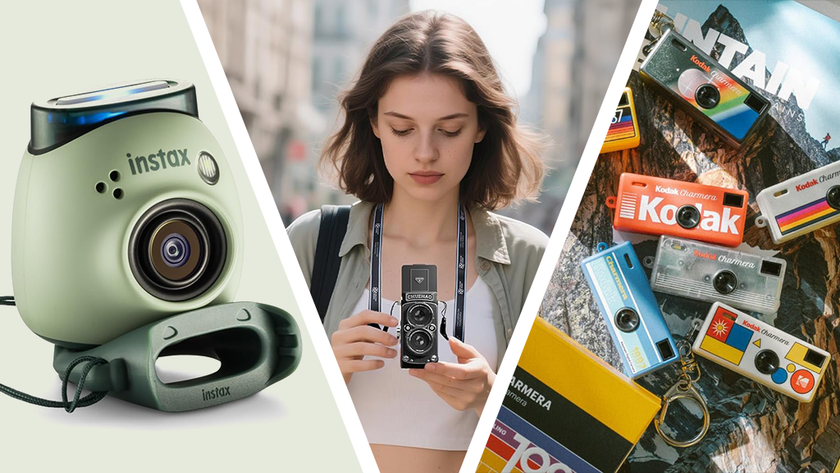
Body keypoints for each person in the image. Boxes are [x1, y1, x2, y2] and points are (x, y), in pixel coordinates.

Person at [287, 11, 548, 473]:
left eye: (450, 130)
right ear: (373, 123)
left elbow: (570, 438)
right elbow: (248, 414)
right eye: (402, 129)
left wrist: (493, 399)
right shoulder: (312, 243)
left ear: (482, 127)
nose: (425, 152)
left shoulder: (531, 260)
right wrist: (325, 373)